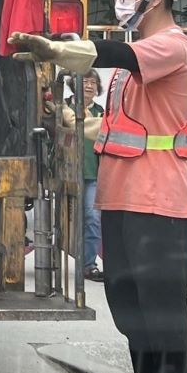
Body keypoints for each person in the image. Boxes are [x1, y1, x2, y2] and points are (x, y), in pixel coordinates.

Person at [9, 0, 187, 373]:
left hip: (159, 203)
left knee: (162, 320)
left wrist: (56, 48)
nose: (122, 1)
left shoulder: (173, 48)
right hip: (122, 200)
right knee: (129, 309)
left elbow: (110, 54)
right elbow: (114, 126)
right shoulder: (139, 61)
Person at [63, 70, 105, 282]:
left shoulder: (101, 112)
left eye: (93, 82)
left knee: (92, 218)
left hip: (92, 174)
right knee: (62, 221)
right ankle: (53, 261)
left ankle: (88, 265)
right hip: (66, 174)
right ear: (74, 84)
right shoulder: (62, 108)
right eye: (85, 81)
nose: (89, 86)